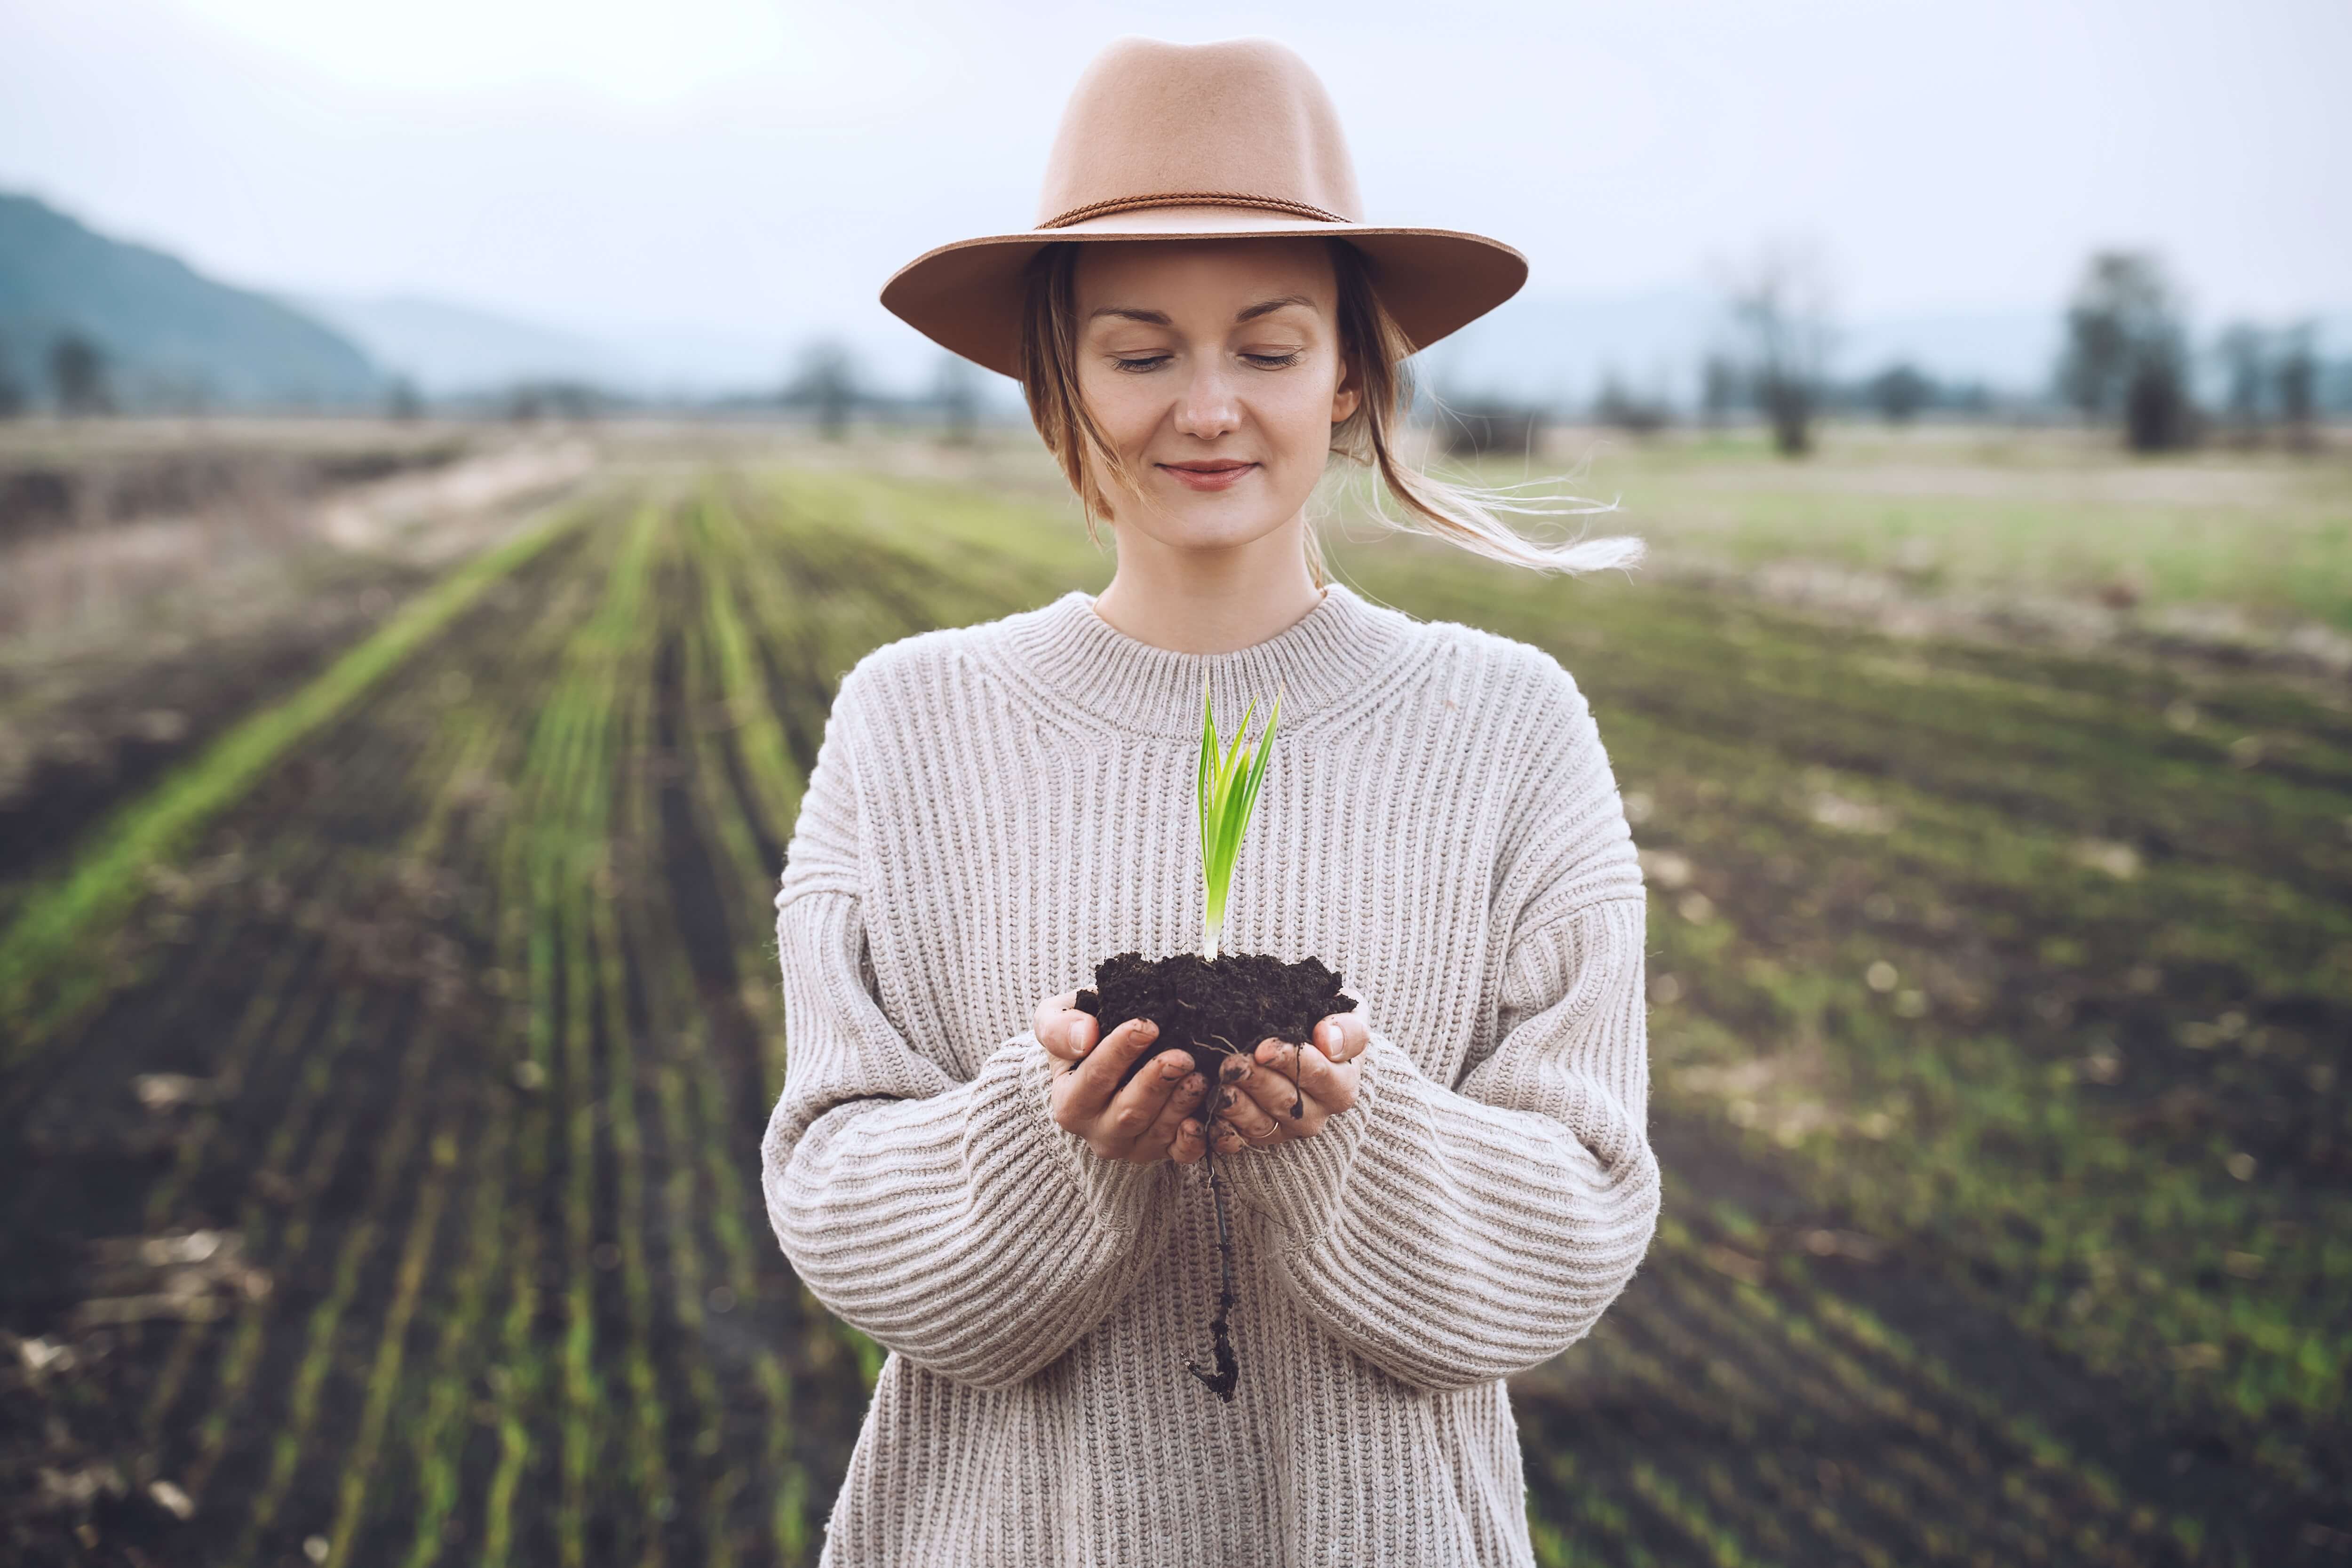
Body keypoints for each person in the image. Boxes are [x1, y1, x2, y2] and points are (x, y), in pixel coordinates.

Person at [760, 35, 1658, 1568]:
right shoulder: (913, 723)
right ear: (1059, 372)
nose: (1208, 408)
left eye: (1268, 345)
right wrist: (1054, 1142)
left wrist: (1346, 1139)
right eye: (1139, 350)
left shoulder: (1508, 730)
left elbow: (1577, 1225)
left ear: (1352, 369)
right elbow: (834, 1187)